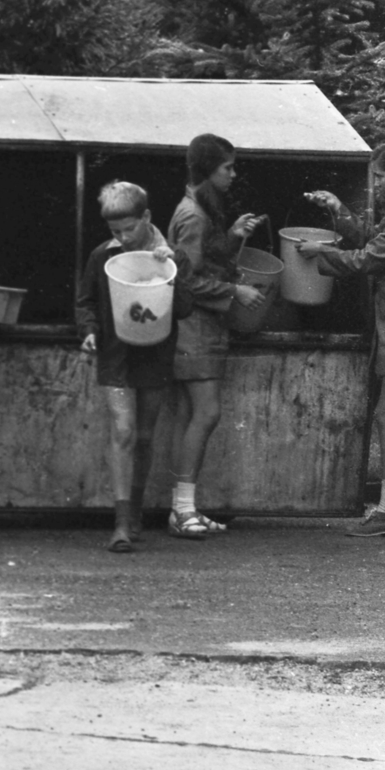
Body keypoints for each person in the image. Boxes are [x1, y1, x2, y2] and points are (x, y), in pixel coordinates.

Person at [296, 141, 385, 538]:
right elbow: (373, 237)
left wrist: (318, 253)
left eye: (380, 177)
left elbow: (368, 259)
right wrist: (337, 209)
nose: (375, 185)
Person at [77, 181, 190, 553]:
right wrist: (89, 331)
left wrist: (172, 271)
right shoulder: (102, 257)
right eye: (115, 231)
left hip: (155, 353)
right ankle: (122, 524)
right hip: (114, 355)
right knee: (123, 432)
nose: (123, 237)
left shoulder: (169, 257)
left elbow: (186, 308)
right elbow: (86, 301)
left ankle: (136, 511)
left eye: (129, 228)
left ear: (146, 217)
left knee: (143, 436)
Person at [166, 134, 267, 539]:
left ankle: (183, 508)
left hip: (202, 328)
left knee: (190, 416)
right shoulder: (193, 215)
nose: (233, 174)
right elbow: (185, 280)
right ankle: (182, 510)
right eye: (227, 167)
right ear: (209, 169)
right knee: (205, 413)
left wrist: (235, 236)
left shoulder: (202, 209)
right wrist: (235, 291)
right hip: (194, 329)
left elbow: (207, 258)